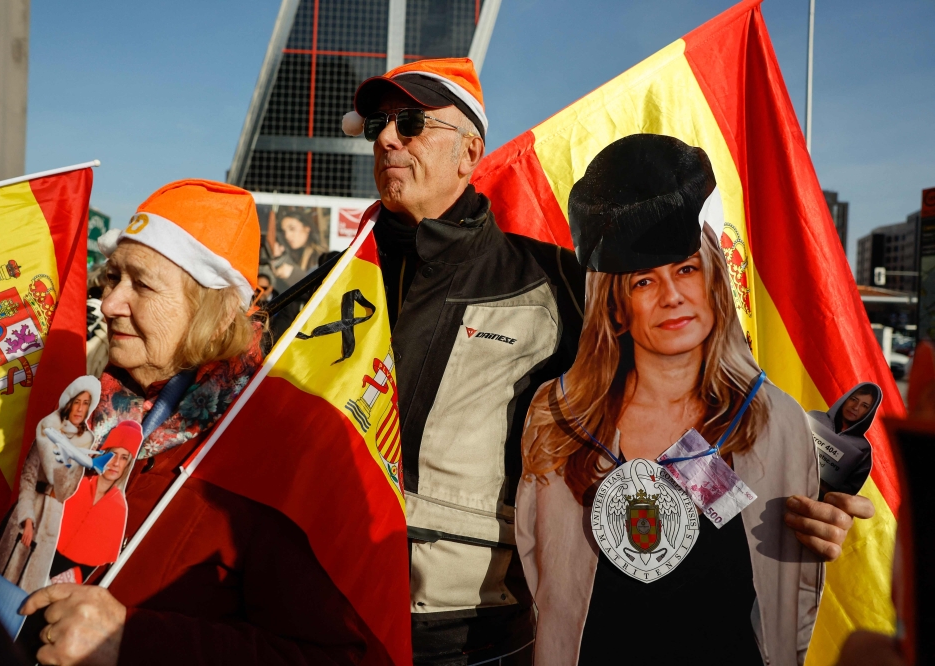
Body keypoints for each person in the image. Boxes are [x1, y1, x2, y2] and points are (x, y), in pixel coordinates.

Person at [341, 58, 868, 664]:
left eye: (409, 122)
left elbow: (685, 410)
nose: (386, 137)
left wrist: (791, 489)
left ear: (469, 150)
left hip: (479, 639)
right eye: (378, 123)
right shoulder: (326, 295)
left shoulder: (556, 281)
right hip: (340, 608)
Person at [515, 134, 869, 666]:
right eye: (642, 282)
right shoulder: (557, 415)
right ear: (614, 309)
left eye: (687, 269)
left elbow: (788, 594)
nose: (672, 295)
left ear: (716, 284)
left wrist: (826, 527)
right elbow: (537, 569)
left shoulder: (773, 420)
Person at [19, 180, 382, 666]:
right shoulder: (81, 412)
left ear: (212, 313)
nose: (108, 304)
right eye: (112, 278)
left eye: (142, 285)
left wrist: (133, 640)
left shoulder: (269, 454)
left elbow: (342, 658)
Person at [0, 376, 101, 592]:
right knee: (4, 573)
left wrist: (63, 464)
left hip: (52, 514)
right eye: (77, 402)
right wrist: (27, 520)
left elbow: (66, 489)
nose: (80, 408)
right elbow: (28, 477)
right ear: (69, 403)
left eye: (86, 403)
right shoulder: (47, 429)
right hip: (28, 508)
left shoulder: (85, 440)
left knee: (30, 583)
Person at [50, 420, 141, 584]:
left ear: (127, 465)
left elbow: (93, 564)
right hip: (41, 555)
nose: (115, 463)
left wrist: (68, 579)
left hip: (66, 582)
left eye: (123, 458)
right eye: (112, 454)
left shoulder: (119, 508)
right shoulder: (76, 484)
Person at [809, 383, 881, 496]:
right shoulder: (814, 418)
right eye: (853, 399)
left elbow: (850, 490)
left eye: (864, 406)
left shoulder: (862, 448)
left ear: (869, 413)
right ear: (845, 399)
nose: (856, 407)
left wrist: (827, 487)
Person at [271, 209, 325, 291]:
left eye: (292, 229)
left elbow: (318, 288)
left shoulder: (318, 256)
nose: (287, 236)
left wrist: (292, 274)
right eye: (284, 231)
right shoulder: (292, 253)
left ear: (307, 228)